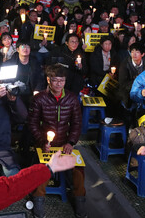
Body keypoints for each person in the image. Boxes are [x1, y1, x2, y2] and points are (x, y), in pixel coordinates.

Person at [28, 64, 86, 218]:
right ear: (48, 80)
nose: (59, 84)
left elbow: (77, 123)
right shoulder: (39, 99)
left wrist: (71, 142)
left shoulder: (72, 98)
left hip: (64, 144)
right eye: (55, 80)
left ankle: (80, 201)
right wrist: (42, 142)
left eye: (62, 80)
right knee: (42, 169)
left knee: (79, 170)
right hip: (45, 145)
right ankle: (38, 200)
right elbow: (32, 124)